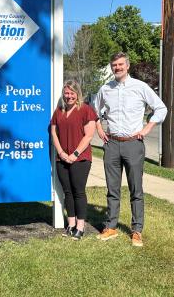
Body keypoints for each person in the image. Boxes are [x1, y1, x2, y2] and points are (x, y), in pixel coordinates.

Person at [93, 52, 167, 247]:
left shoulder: (140, 87)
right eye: (114, 65)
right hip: (112, 144)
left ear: (127, 66)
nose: (117, 68)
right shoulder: (105, 89)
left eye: (120, 64)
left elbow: (161, 108)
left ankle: (136, 231)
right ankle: (110, 227)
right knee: (112, 189)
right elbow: (93, 111)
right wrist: (99, 128)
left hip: (133, 143)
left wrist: (147, 128)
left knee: (136, 189)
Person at [51, 80, 97, 240]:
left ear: (77, 94)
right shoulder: (59, 111)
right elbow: (53, 132)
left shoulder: (86, 110)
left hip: (81, 159)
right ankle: (70, 224)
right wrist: (62, 153)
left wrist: (74, 154)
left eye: (71, 93)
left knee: (78, 192)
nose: (68, 96)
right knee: (67, 192)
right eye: (66, 93)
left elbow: (89, 135)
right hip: (61, 158)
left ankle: (80, 226)